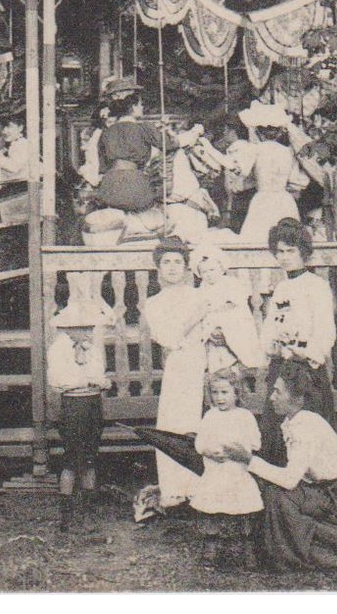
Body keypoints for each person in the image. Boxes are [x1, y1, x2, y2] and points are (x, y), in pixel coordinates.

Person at [223, 361, 337, 572]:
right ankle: (285, 549)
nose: (271, 397)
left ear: (295, 398)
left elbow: (289, 480)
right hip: (329, 490)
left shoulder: (305, 427)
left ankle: (294, 553)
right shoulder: (296, 420)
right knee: (275, 494)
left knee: (278, 497)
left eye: (277, 392)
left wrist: (248, 460)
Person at [259, 218, 336, 465]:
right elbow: (272, 324)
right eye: (279, 251)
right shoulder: (281, 288)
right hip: (282, 367)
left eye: (290, 251)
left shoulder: (317, 286)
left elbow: (325, 331)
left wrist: (305, 351)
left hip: (305, 370)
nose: (284, 257)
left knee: (308, 430)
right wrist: (273, 343)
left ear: (303, 252)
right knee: (276, 428)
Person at [142, 236, 207, 507]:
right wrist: (191, 322)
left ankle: (199, 488)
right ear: (158, 267)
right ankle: (174, 489)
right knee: (173, 423)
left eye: (177, 262)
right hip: (179, 365)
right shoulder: (153, 303)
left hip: (203, 360)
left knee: (202, 423)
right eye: (166, 262)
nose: (172, 267)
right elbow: (167, 337)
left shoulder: (199, 295)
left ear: (186, 267)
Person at [47, 303, 108, 534]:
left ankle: (88, 512)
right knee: (72, 458)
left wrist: (101, 381)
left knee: (90, 456)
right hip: (73, 404)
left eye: (91, 327)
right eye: (86, 327)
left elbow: (98, 373)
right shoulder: (58, 349)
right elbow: (58, 380)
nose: (90, 332)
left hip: (92, 403)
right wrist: (87, 381)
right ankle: (67, 515)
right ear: (70, 328)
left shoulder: (91, 349)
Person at [192, 370, 263, 564]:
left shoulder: (245, 416)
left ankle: (248, 548)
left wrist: (238, 450)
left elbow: (255, 443)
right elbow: (199, 442)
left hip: (237, 472)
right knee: (211, 509)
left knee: (245, 509)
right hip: (216, 472)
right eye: (215, 393)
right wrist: (208, 451)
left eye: (224, 392)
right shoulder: (210, 416)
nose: (219, 398)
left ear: (237, 393)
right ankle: (210, 547)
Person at [233, 102, 308, 251]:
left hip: (263, 199)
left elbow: (243, 173)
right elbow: (296, 181)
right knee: (287, 244)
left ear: (259, 132)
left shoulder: (255, 149)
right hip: (284, 199)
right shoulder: (288, 152)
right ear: (280, 132)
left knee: (258, 242)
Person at [90, 78, 166, 212]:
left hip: (110, 183)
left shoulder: (106, 131)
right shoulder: (140, 127)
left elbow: (102, 165)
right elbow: (166, 145)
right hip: (132, 182)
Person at [191, 245, 265, 375]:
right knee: (210, 344)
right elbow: (201, 307)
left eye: (212, 270)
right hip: (212, 319)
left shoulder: (230, 283)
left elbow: (236, 302)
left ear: (221, 268)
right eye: (204, 272)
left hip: (232, 316)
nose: (208, 275)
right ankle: (218, 370)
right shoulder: (203, 288)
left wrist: (219, 311)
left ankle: (247, 358)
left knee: (234, 327)